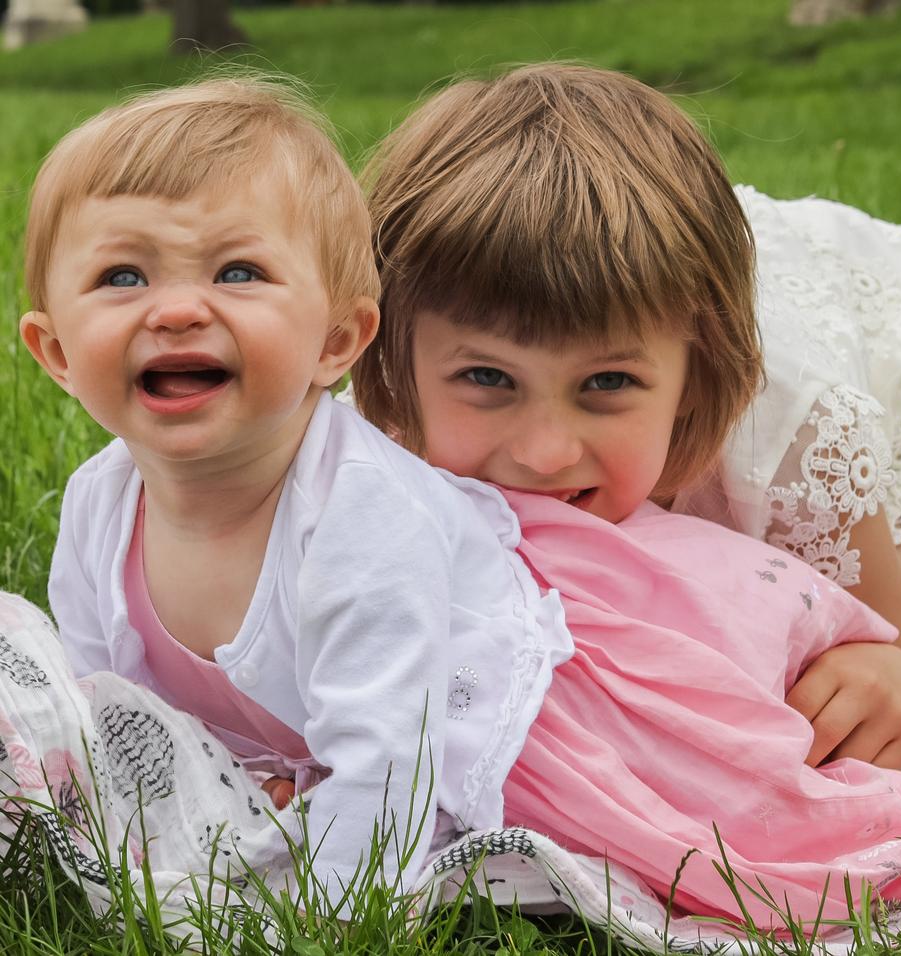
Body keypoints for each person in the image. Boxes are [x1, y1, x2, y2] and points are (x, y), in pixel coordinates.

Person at [352, 62, 901, 924]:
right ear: (393, 356)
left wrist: (893, 676)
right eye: (487, 377)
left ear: (695, 378)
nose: (545, 452)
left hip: (870, 334)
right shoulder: (383, 441)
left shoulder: (795, 445)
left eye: (606, 384)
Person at [16, 75, 575, 908]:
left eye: (238, 271)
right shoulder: (101, 508)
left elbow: (393, 780)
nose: (174, 311)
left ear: (337, 341)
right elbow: (115, 725)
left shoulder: (362, 519)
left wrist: (304, 917)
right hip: (313, 764)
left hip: (482, 740)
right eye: (123, 277)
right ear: (56, 352)